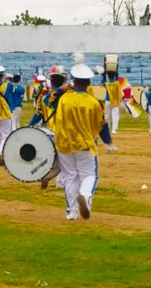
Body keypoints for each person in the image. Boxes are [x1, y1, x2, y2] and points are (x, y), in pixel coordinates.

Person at [53, 61, 104, 221]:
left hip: (64, 143)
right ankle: (85, 197)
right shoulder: (93, 102)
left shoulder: (64, 99)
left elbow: (49, 101)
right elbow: (100, 124)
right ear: (89, 83)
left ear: (73, 82)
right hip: (85, 144)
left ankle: (72, 212)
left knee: (70, 176)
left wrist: (62, 89)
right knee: (89, 175)